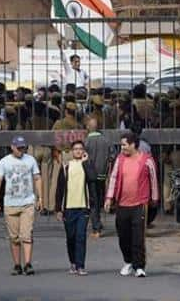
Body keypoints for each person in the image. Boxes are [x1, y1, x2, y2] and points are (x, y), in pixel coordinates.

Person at [105, 133, 160, 278]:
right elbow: (114, 177)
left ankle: (139, 266)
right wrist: (109, 198)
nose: (122, 147)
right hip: (122, 203)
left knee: (138, 236)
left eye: (124, 145)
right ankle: (128, 261)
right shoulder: (120, 159)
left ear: (133, 145)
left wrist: (154, 198)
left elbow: (153, 178)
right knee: (123, 235)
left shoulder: (147, 160)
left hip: (140, 204)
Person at [0, 136, 43, 276]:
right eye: (19, 148)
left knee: (26, 234)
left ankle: (27, 263)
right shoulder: (4, 162)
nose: (21, 150)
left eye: (23, 148)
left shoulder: (30, 160)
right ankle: (17, 264)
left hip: (27, 202)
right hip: (10, 203)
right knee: (14, 237)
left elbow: (37, 178)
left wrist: (40, 197)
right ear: (12, 147)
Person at [54, 141, 96, 276]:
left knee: (81, 237)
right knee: (71, 237)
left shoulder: (87, 164)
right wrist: (58, 209)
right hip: (68, 208)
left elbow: (93, 179)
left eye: (80, 149)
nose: (78, 151)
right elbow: (59, 189)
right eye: (75, 149)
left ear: (84, 151)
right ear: (72, 151)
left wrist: (86, 163)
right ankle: (73, 262)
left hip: (83, 207)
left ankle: (80, 265)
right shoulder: (66, 166)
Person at [84, 117, 111, 237]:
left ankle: (96, 228)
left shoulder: (86, 142)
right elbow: (112, 155)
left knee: (93, 201)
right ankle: (98, 222)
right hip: (103, 174)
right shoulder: (106, 140)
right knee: (99, 199)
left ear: (88, 127)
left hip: (91, 175)